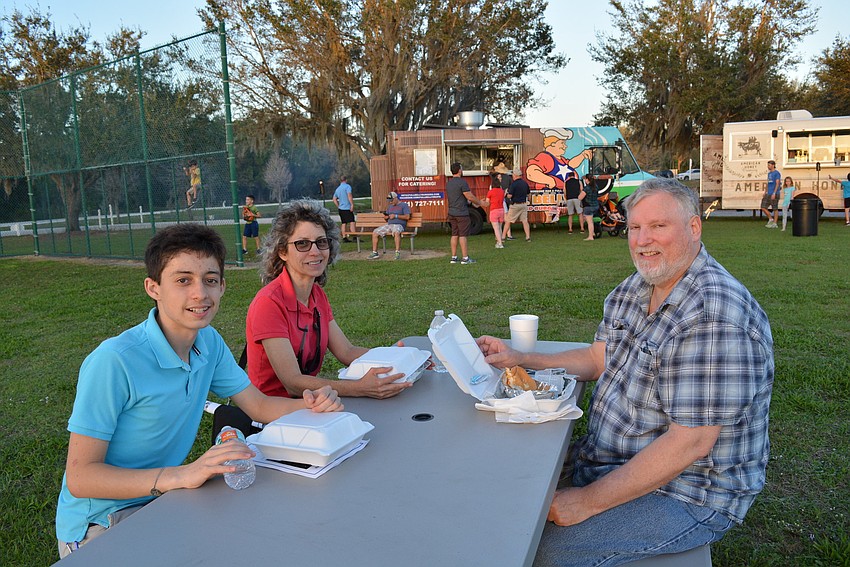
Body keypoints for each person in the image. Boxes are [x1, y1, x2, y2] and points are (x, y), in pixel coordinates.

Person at [476, 178, 774, 567]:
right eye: (635, 227)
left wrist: (586, 501)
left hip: (690, 491)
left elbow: (690, 443)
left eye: (658, 226)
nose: (642, 240)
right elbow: (598, 358)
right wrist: (522, 358)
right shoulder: (635, 287)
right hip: (609, 458)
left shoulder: (714, 316)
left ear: (694, 227)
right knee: (501, 494)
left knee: (534, 550)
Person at [55, 224, 342, 559]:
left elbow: (259, 405)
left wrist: (312, 404)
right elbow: (81, 477)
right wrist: (183, 475)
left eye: (210, 280)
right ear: (153, 288)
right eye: (183, 280)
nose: (200, 294)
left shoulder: (208, 342)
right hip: (101, 525)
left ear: (222, 286)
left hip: (165, 500)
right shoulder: (114, 361)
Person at [246, 199, 411, 399]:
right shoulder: (269, 303)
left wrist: (399, 358)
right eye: (302, 244)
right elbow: (292, 382)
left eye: (321, 242)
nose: (315, 251)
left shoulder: (316, 295)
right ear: (282, 252)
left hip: (312, 402)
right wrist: (358, 388)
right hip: (274, 409)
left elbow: (347, 351)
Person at [446, 162, 486, 264]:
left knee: (454, 234)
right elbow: (469, 196)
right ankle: (465, 258)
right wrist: (480, 202)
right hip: (461, 213)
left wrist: (472, 203)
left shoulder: (449, 183)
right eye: (462, 169)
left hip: (452, 212)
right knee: (463, 235)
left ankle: (454, 257)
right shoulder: (462, 182)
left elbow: (460, 198)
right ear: (459, 170)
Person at [367, 191, 411, 260]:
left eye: (391, 200)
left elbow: (407, 217)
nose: (390, 202)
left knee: (396, 232)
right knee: (375, 232)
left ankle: (397, 252)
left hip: (399, 225)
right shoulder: (390, 207)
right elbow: (387, 218)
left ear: (396, 198)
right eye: (389, 201)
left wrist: (396, 216)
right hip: (389, 225)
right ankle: (375, 253)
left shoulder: (404, 205)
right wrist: (386, 217)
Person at [503, 170, 532, 242]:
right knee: (525, 221)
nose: (512, 176)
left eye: (513, 175)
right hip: (524, 205)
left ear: (515, 175)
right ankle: (528, 237)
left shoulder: (513, 184)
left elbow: (510, 196)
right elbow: (529, 194)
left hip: (515, 205)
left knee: (508, 221)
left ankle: (503, 237)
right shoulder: (525, 183)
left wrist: (506, 194)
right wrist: (529, 201)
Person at [332, 176, 356, 242]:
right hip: (347, 207)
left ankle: (344, 237)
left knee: (344, 223)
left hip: (341, 208)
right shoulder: (347, 187)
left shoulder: (338, 189)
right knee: (352, 222)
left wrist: (338, 206)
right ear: (346, 180)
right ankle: (354, 236)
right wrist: (352, 204)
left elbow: (334, 199)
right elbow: (349, 195)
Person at [486, 172, 506, 248]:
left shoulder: (490, 192)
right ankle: (498, 242)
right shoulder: (502, 191)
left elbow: (487, 202)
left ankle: (500, 243)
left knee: (496, 228)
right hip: (501, 210)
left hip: (494, 210)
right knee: (500, 227)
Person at [761, 160, 781, 228]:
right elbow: (768, 183)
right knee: (763, 207)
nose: (768, 166)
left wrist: (774, 193)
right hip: (768, 193)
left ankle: (775, 223)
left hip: (774, 193)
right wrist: (765, 192)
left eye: (769, 165)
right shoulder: (769, 174)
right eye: (768, 165)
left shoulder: (777, 173)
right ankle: (770, 219)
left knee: (775, 208)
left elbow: (777, 183)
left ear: (773, 165)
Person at [582, 174, 599, 241]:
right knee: (588, 219)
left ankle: (590, 236)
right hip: (595, 205)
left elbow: (580, 197)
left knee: (589, 222)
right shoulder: (596, 187)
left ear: (587, 180)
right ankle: (593, 232)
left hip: (588, 206)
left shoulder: (586, 188)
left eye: (585, 179)